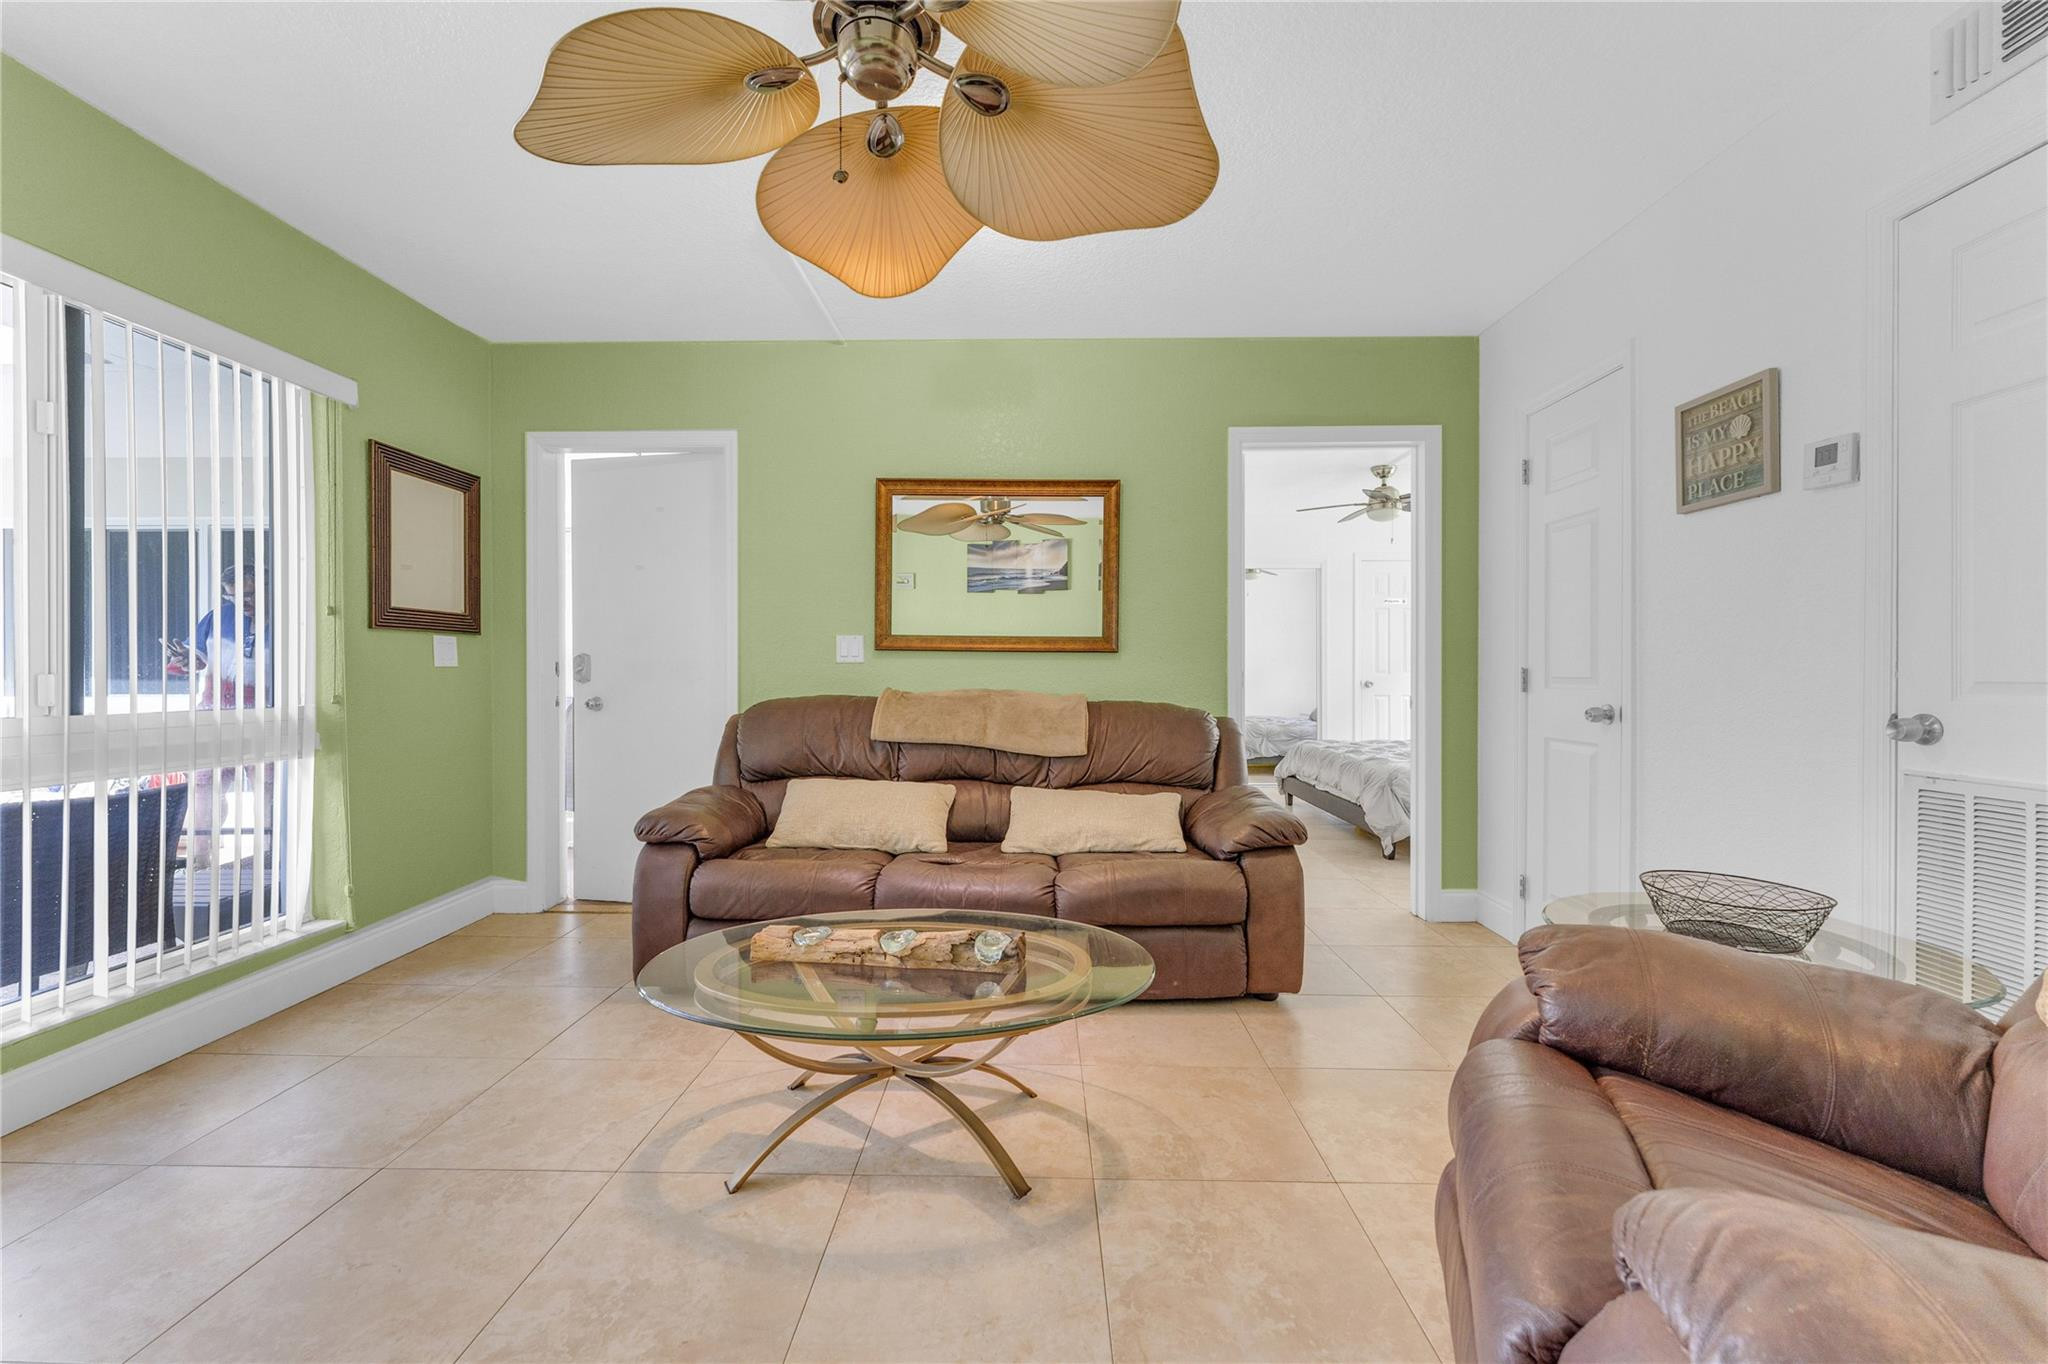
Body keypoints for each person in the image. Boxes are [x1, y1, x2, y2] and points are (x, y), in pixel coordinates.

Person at [165, 564, 270, 872]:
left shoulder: (283, 620)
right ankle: (199, 860)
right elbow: (193, 660)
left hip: (262, 718)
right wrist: (184, 659)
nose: (243, 603)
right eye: (234, 597)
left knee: (267, 790)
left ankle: (269, 858)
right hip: (212, 715)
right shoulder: (216, 617)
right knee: (203, 789)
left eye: (249, 595)